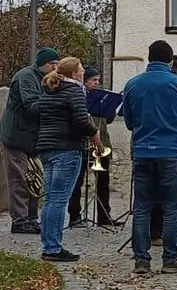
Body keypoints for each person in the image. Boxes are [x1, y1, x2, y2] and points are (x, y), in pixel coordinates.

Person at [122, 41, 177, 275]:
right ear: (169, 61)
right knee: (172, 207)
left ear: (148, 58)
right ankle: (171, 258)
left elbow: (128, 122)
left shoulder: (132, 85)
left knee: (142, 206)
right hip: (171, 152)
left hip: (143, 151)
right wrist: (174, 129)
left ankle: (141, 261)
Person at [34, 56, 97, 263]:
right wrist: (94, 133)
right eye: (80, 69)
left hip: (47, 147)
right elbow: (80, 120)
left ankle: (48, 244)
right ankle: (53, 247)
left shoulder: (50, 89)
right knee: (60, 199)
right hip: (67, 148)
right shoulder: (74, 90)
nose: (83, 72)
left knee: (50, 199)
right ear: (73, 73)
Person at [1, 47, 60, 234]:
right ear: (42, 63)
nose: (55, 68)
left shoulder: (45, 77)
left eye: (57, 64)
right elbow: (32, 106)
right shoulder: (25, 77)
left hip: (33, 136)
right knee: (19, 178)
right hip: (16, 135)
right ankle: (19, 220)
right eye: (52, 64)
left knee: (35, 178)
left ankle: (32, 218)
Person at [148, 55, 177, 243]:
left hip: (145, 147)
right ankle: (172, 235)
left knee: (152, 195)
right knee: (176, 194)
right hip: (170, 148)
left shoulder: (138, 84)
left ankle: (152, 236)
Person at [68, 66, 116, 228]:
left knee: (103, 181)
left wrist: (109, 108)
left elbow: (108, 120)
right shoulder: (80, 96)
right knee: (78, 181)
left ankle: (104, 215)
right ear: (85, 81)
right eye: (93, 80)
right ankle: (75, 216)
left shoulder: (101, 98)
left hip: (102, 144)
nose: (96, 83)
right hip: (83, 146)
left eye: (98, 80)